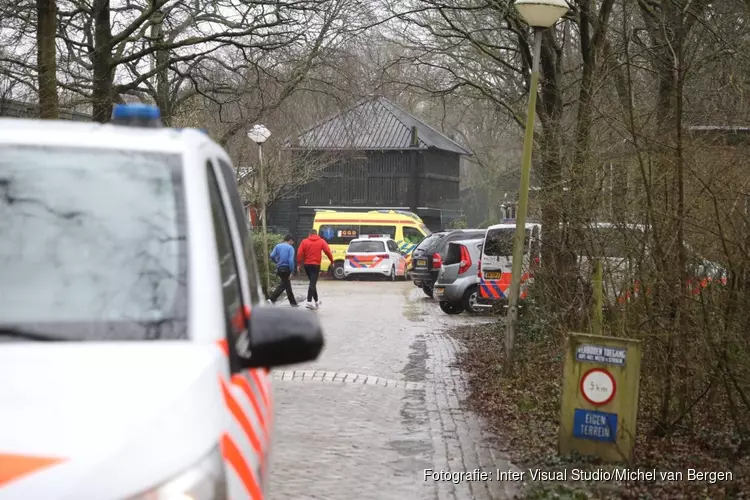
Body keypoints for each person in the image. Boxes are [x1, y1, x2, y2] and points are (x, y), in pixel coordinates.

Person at [296, 229, 334, 310]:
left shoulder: (304, 241)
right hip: (316, 265)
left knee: (312, 283)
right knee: (312, 283)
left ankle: (316, 302)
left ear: (309, 234)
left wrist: (299, 264)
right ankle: (309, 301)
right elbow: (327, 251)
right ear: (316, 234)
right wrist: (332, 261)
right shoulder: (321, 241)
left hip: (307, 265)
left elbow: (299, 253)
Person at [267, 235, 298, 307]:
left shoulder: (278, 246)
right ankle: (272, 299)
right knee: (284, 285)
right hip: (286, 269)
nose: (292, 244)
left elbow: (272, 256)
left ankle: (293, 304)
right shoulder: (290, 248)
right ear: (290, 240)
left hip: (280, 269)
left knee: (286, 285)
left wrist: (276, 261)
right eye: (292, 242)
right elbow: (290, 261)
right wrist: (292, 271)